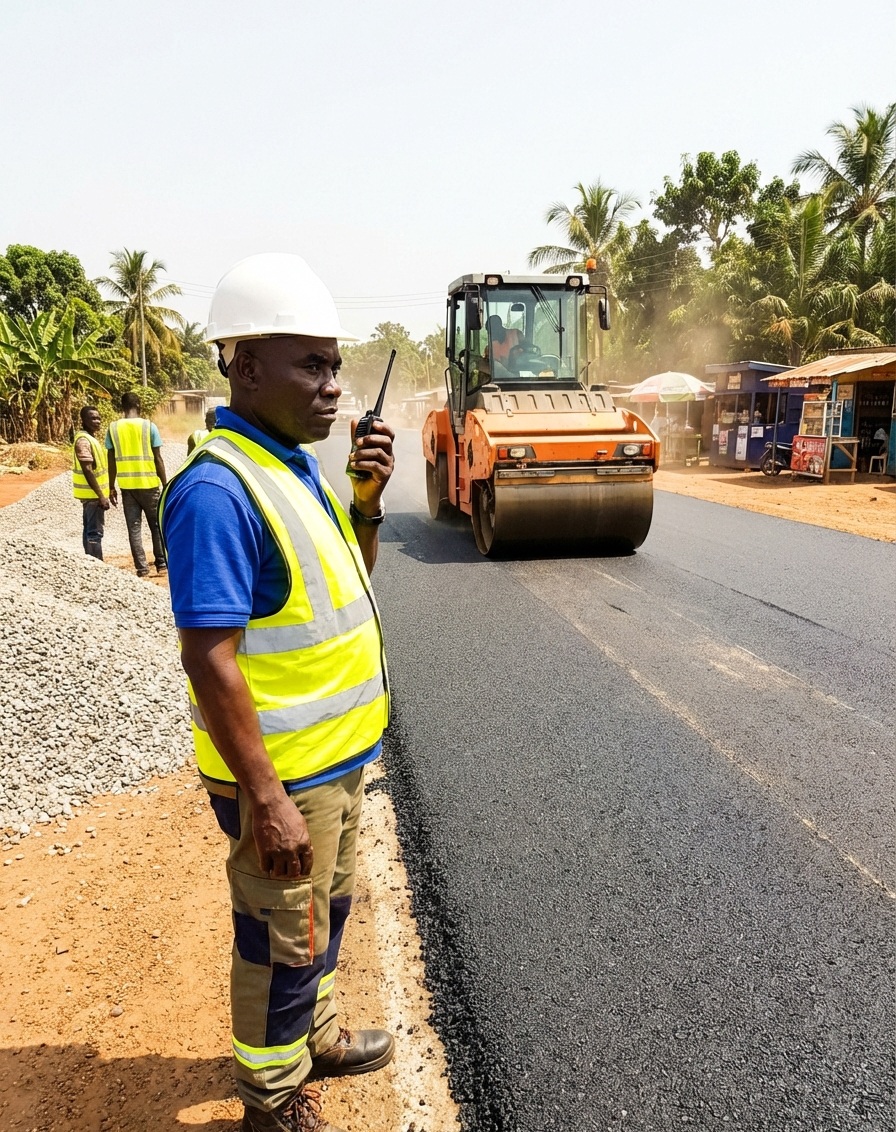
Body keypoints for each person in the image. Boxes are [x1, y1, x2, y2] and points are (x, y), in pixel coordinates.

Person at [159, 253, 395, 1132]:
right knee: (277, 944)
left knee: (323, 916)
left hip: (333, 760)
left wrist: (366, 501)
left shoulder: (291, 465)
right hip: (283, 780)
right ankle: (272, 1099)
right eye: (312, 366)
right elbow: (209, 658)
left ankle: (318, 1035)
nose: (333, 387)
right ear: (246, 367)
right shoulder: (218, 491)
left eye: (335, 366)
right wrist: (265, 797)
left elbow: (348, 584)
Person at [106, 391, 168, 577]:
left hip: (127, 487)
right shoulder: (149, 427)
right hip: (149, 484)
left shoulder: (113, 428)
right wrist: (165, 484)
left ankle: (142, 568)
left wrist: (111, 486)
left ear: (122, 408)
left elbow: (111, 459)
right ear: (139, 406)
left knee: (134, 528)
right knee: (156, 526)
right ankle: (162, 565)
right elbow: (158, 459)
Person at [72, 404, 116, 559]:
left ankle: (90, 563)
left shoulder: (91, 438)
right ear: (83, 420)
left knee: (89, 530)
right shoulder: (83, 441)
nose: (97, 421)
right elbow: (87, 469)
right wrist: (101, 496)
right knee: (94, 533)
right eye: (92, 418)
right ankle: (97, 564)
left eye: (98, 418)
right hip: (92, 496)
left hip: (94, 495)